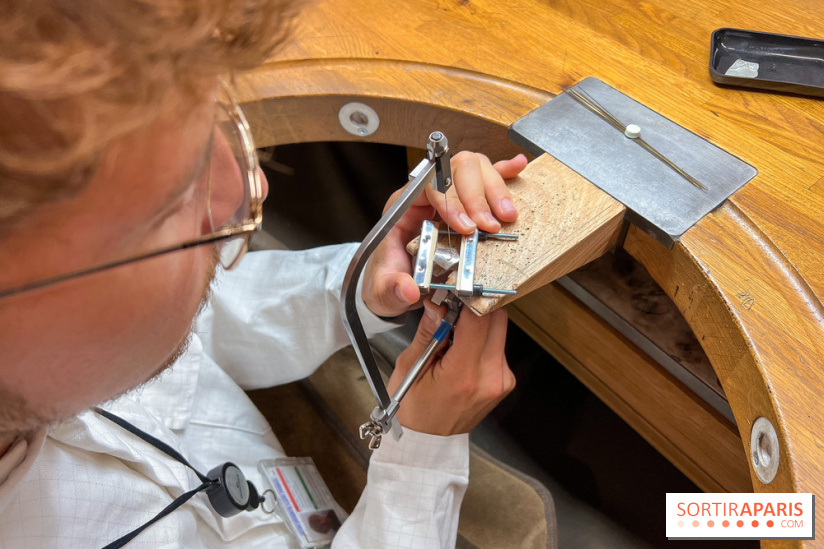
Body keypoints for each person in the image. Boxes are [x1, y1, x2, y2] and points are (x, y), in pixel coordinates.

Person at [0, 0, 528, 547]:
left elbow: (205, 325)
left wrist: (356, 286)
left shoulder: (57, 334)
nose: (252, 187)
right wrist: (421, 461)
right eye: (164, 208)